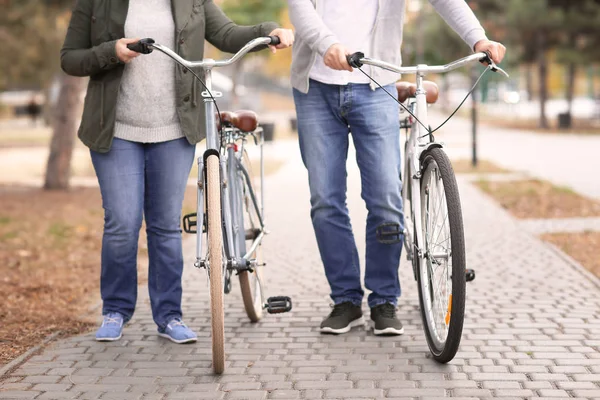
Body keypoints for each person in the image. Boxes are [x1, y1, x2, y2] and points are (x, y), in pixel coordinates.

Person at [61, 0, 293, 343]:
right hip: (116, 128)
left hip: (173, 130)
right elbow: (70, 58)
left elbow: (227, 34)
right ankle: (115, 309)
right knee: (123, 223)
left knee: (165, 226)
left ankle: (169, 315)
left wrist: (267, 31)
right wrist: (110, 51)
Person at [288, 0, 505, 335]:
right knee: (325, 200)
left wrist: (478, 39)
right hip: (315, 89)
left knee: (386, 198)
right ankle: (345, 300)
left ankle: (383, 299)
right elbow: (300, 8)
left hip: (376, 87)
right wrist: (327, 44)